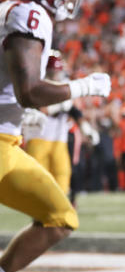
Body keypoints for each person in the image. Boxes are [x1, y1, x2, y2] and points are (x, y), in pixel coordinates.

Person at [0, 0, 111, 272]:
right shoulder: (29, 15)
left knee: (60, 216)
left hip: (8, 144)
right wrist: (84, 86)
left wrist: (19, 117)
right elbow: (30, 91)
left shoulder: (13, 10)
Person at [22, 50, 74, 198]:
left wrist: (84, 127)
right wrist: (59, 106)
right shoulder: (36, 84)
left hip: (59, 139)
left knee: (62, 174)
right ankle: (40, 214)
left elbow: (74, 110)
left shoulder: (64, 85)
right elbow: (41, 108)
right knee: (39, 177)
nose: (55, 74)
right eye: (52, 71)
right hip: (38, 135)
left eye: (56, 71)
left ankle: (59, 208)